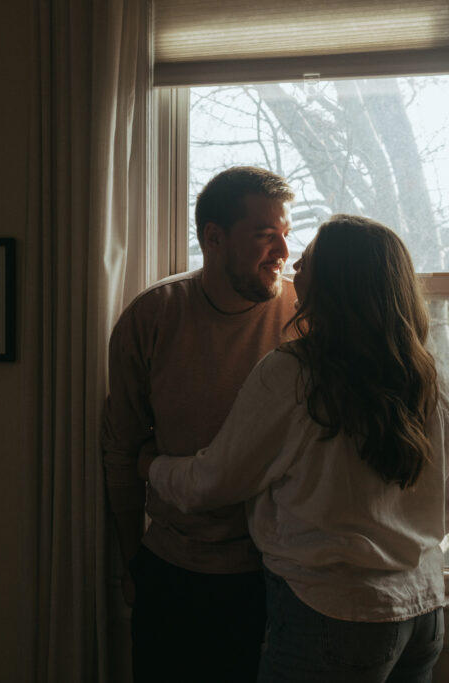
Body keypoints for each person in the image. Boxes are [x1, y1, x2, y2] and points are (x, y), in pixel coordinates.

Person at [141, 214, 449, 683]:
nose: (294, 264)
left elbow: (213, 482)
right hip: (421, 613)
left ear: (336, 284)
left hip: (332, 614)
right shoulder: (429, 386)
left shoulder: (294, 374)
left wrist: (151, 466)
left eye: (309, 260)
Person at [102, 166, 298, 682]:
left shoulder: (305, 312)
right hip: (172, 571)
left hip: (278, 573)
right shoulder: (153, 316)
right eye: (264, 235)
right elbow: (121, 448)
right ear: (214, 237)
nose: (283, 251)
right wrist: (130, 562)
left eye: (286, 233)